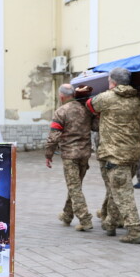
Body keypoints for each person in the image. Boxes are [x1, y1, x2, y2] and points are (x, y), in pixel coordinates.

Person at [87, 67, 140, 243]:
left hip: (115, 155)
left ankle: (134, 230)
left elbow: (90, 105)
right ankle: (111, 223)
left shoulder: (107, 97)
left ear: (111, 82)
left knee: (122, 192)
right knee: (116, 190)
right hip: (135, 154)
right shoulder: (138, 100)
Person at [45, 83, 94, 231]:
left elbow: (53, 137)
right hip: (85, 154)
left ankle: (85, 220)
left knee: (74, 188)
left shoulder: (61, 111)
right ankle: (67, 215)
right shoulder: (85, 109)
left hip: (70, 155)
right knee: (75, 185)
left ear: (61, 96)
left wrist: (49, 154)